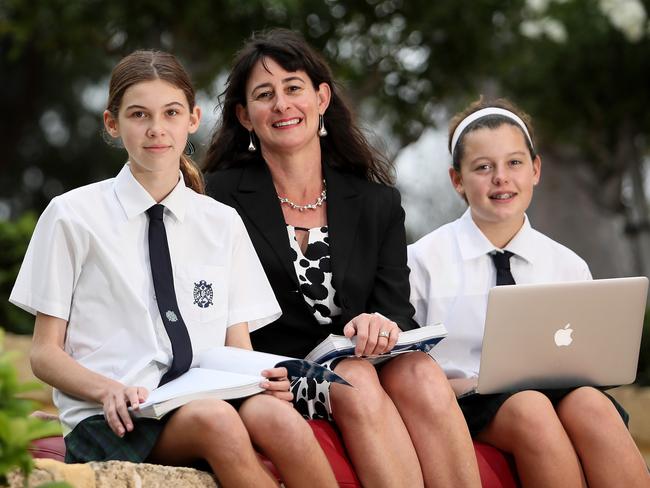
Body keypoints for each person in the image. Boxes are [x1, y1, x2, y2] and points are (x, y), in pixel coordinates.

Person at [9, 50, 337, 488]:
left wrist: (264, 377)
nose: (156, 129)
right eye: (139, 115)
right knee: (218, 422)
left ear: (193, 118)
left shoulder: (221, 223)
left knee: (284, 422)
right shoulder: (71, 215)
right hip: (117, 413)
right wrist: (107, 389)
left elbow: (235, 346)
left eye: (171, 112)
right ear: (112, 123)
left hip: (204, 395)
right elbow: (44, 353)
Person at [204, 29, 481, 488]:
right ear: (245, 116)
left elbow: (398, 312)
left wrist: (382, 324)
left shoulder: (377, 202)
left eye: (294, 88)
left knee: (419, 371)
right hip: (275, 373)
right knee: (353, 378)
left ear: (321, 98)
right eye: (263, 95)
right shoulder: (218, 198)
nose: (282, 104)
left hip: (362, 359)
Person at [408, 97, 650, 487]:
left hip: (557, 390)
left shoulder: (567, 264)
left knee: (593, 407)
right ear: (457, 180)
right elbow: (404, 364)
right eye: (483, 167)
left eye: (514, 163)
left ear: (535, 170)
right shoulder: (421, 261)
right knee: (532, 409)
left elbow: (586, 356)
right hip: (464, 397)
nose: (501, 178)